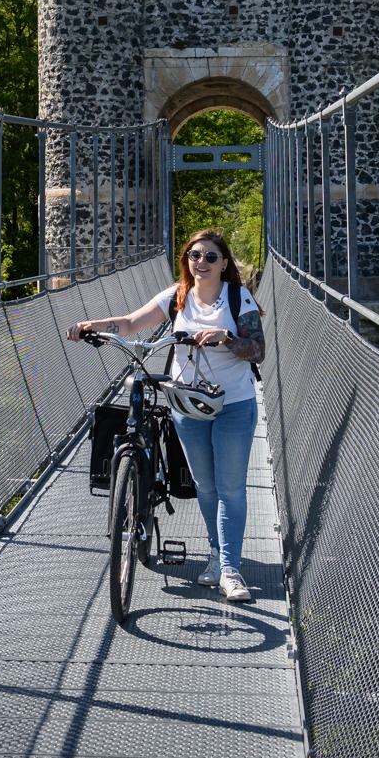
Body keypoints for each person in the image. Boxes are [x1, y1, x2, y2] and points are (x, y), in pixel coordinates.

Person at [66, 228, 265, 603]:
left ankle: (230, 571)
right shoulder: (177, 296)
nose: (200, 262)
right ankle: (217, 554)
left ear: (224, 263)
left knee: (231, 488)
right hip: (187, 404)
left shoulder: (239, 299)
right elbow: (129, 323)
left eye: (209, 257)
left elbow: (258, 351)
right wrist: (93, 325)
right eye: (193, 255)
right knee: (206, 486)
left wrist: (227, 337)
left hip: (233, 404)